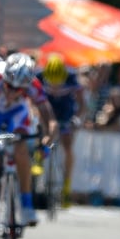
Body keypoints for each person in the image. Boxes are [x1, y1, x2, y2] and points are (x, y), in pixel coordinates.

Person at [0, 52, 59, 239]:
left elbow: (49, 117)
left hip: (16, 113)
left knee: (21, 145)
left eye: (19, 89)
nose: (13, 92)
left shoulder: (33, 84)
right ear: (4, 79)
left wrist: (48, 135)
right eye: (9, 86)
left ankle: (26, 202)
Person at [38, 52, 85, 206]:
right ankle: (40, 154)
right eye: (52, 84)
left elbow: (82, 105)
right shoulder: (39, 76)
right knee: (41, 127)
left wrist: (76, 119)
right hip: (47, 109)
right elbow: (33, 102)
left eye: (58, 84)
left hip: (66, 111)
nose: (55, 87)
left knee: (67, 144)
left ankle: (66, 185)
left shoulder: (71, 78)